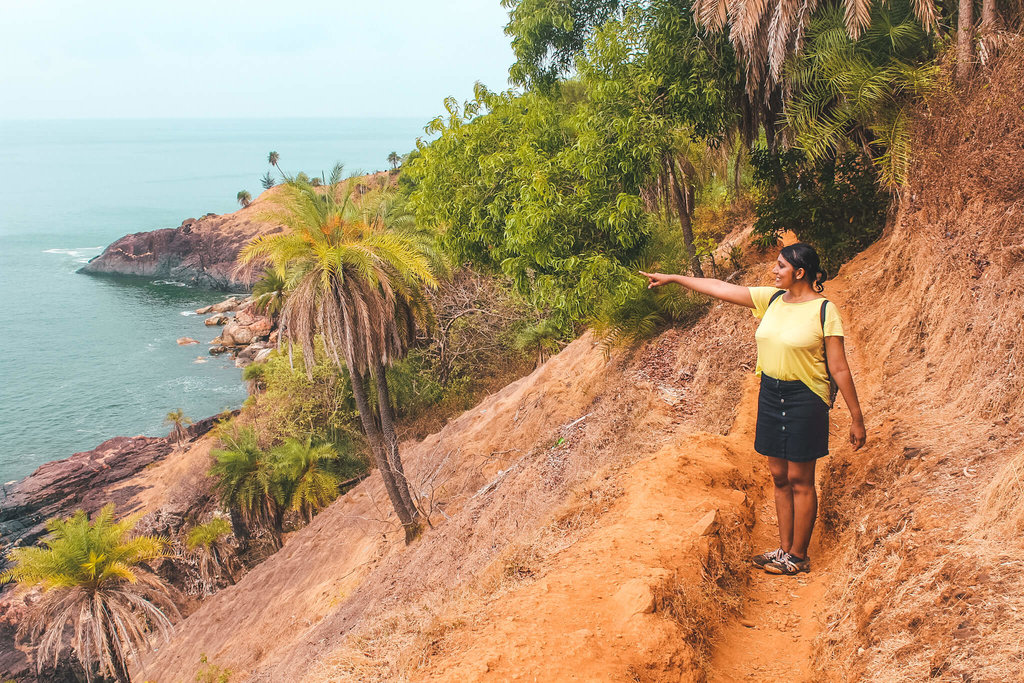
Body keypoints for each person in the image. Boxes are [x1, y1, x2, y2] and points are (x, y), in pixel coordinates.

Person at [640, 243, 866, 575]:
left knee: (800, 479)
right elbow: (719, 288)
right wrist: (675, 278)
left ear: (799, 273)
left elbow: (840, 368)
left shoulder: (823, 310)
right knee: (778, 476)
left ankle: (798, 557)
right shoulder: (771, 299)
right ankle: (784, 549)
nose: (774, 271)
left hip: (806, 397)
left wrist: (857, 418)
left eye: (780, 267)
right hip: (771, 393)